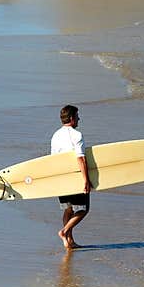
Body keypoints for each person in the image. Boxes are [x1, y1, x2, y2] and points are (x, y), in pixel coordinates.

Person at [50, 104, 92, 250]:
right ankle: (64, 232)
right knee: (83, 210)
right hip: (75, 178)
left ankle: (69, 241)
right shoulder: (76, 135)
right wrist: (86, 180)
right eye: (77, 116)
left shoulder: (55, 135)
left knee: (68, 209)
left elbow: (52, 160)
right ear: (72, 118)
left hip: (61, 177)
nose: (79, 118)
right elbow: (81, 159)